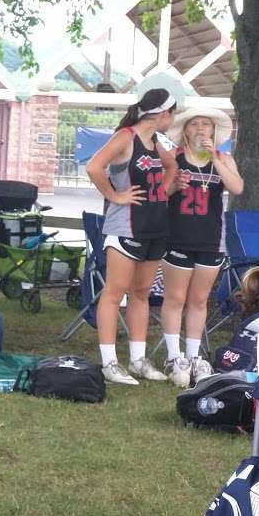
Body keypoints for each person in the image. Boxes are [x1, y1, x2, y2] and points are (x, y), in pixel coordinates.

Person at [86, 88, 184, 385]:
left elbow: (172, 167)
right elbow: (94, 166)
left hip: (155, 226)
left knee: (141, 294)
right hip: (125, 228)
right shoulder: (126, 136)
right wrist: (114, 196)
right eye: (173, 114)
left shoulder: (155, 141)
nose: (173, 120)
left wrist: (163, 192)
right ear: (163, 114)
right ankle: (109, 363)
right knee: (114, 293)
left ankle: (138, 360)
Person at [160, 107, 242, 385]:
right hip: (177, 236)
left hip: (211, 238)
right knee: (176, 298)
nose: (200, 129)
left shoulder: (225, 158)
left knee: (198, 299)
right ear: (185, 130)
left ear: (213, 130)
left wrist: (215, 160)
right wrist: (174, 185)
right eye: (194, 124)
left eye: (205, 124)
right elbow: (158, 193)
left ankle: (194, 356)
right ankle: (174, 356)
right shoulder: (173, 157)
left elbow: (237, 187)